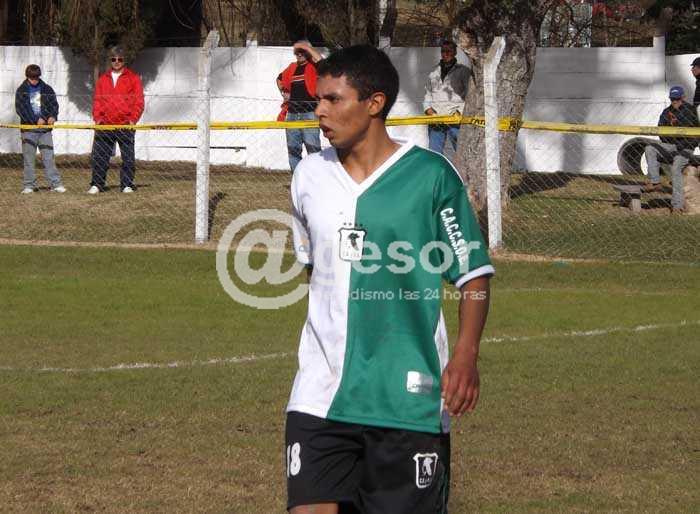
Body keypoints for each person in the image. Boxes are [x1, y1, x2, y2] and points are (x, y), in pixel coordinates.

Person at [287, 45, 494, 513]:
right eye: (318, 100)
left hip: (407, 399)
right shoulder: (307, 177)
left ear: (374, 103)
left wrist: (465, 355)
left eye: (333, 99)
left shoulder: (431, 176)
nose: (319, 111)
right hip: (319, 396)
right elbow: (312, 269)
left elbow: (474, 275)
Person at [88, 46, 144, 194]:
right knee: (100, 156)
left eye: (120, 59)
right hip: (105, 125)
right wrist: (98, 118)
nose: (117, 62)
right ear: (110, 61)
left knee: (128, 157)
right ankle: (97, 184)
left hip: (125, 124)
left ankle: (126, 184)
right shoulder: (102, 79)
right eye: (114, 59)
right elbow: (97, 101)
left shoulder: (133, 78)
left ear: (124, 60)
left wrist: (133, 119)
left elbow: (139, 102)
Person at [643, 86, 699, 213]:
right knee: (650, 148)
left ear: (683, 98)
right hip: (671, 146)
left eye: (677, 99)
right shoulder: (666, 112)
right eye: (672, 99)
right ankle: (655, 182)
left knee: (675, 168)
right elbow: (661, 131)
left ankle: (677, 206)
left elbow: (696, 136)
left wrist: (683, 143)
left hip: (686, 148)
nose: (674, 102)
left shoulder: (691, 111)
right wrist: (672, 140)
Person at [15, 64, 65, 194]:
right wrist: (35, 120)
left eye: (36, 77)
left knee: (49, 158)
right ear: (27, 77)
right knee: (29, 159)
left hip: (45, 131)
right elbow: (20, 110)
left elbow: (54, 105)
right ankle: (29, 185)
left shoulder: (47, 88)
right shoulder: (21, 90)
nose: (34, 80)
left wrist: (52, 116)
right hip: (28, 130)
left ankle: (56, 184)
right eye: (32, 78)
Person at [277, 40, 323, 172]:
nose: (299, 54)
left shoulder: (314, 66)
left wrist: (307, 47)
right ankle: (298, 179)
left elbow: (322, 62)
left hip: (310, 114)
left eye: (302, 51)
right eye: (297, 52)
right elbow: (279, 79)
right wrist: (284, 92)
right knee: (293, 151)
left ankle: (316, 179)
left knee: (314, 151)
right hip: (292, 115)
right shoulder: (291, 67)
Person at [423, 39, 471, 155]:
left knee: (461, 153)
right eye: (443, 51)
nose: (446, 54)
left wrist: (459, 112)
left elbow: (469, 94)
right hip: (436, 119)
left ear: (455, 52)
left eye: (449, 51)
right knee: (434, 154)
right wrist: (428, 109)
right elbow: (427, 93)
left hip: (455, 119)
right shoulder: (433, 71)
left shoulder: (464, 71)